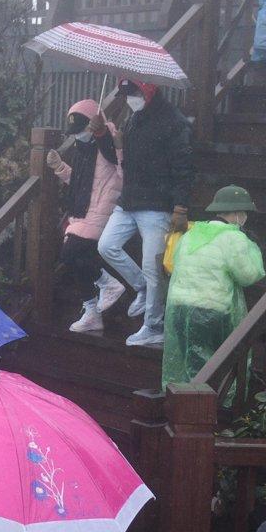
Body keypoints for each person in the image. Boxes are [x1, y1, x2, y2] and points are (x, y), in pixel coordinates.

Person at [103, 80, 195, 348]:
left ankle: (154, 325)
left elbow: (184, 166)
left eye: (133, 93)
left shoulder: (173, 122)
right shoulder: (135, 119)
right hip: (130, 199)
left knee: (154, 266)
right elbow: (121, 158)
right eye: (126, 94)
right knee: (106, 245)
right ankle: (141, 288)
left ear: (148, 91)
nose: (130, 98)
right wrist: (104, 137)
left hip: (158, 204)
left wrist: (180, 206)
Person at [162, 185, 266, 391]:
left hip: (179, 307)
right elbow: (248, 276)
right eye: (243, 213)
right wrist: (253, 250)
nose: (244, 217)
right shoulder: (234, 238)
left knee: (190, 363)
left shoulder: (192, 232)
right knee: (210, 366)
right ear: (237, 214)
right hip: (210, 310)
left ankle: (183, 409)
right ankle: (208, 413)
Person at [51, 98, 128, 335]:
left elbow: (117, 160)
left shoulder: (108, 142)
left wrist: (102, 133)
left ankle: (109, 284)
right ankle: (92, 312)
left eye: (81, 130)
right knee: (76, 259)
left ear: (93, 125)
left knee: (70, 252)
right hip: (82, 211)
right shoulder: (82, 148)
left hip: (102, 207)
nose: (78, 136)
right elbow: (80, 182)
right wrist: (59, 167)